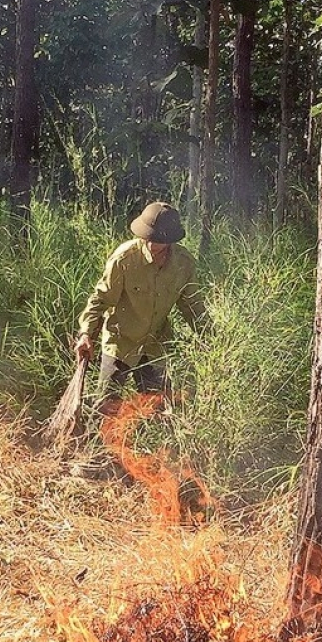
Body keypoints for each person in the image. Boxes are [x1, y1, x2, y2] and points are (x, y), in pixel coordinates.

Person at [70, 202, 205, 476]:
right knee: (107, 406)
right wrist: (86, 334)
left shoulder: (184, 264)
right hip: (121, 342)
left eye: (159, 241)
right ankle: (96, 462)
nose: (152, 245)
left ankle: (152, 466)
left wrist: (213, 342)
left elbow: (193, 307)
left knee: (160, 408)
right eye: (148, 238)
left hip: (155, 345)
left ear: (169, 241)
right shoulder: (125, 258)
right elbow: (100, 298)